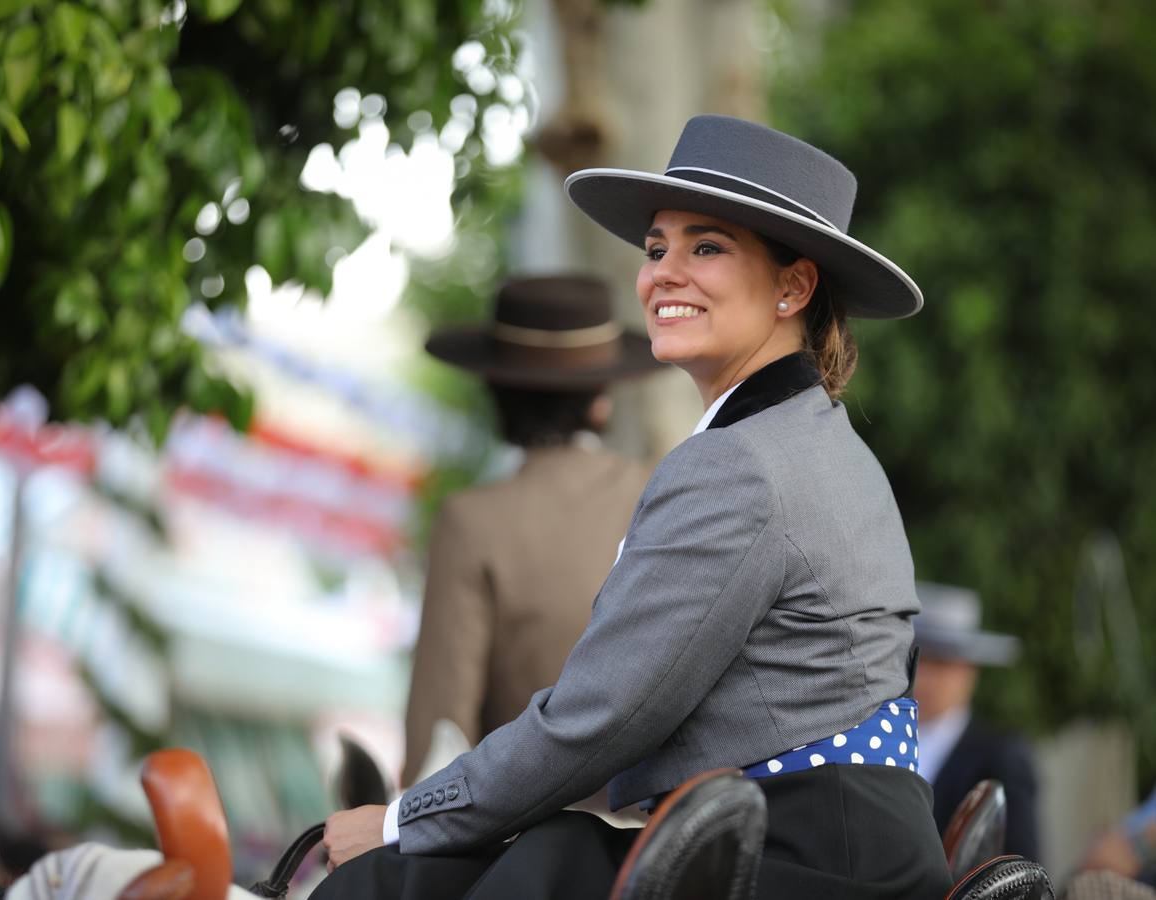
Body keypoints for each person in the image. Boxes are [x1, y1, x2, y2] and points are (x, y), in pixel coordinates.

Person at [314, 114, 952, 900]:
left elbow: (603, 717)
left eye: (705, 247)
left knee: (408, 882)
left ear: (793, 286)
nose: (661, 275)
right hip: (836, 843)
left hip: (798, 857)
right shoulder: (812, 440)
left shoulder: (739, 465)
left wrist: (396, 823)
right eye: (655, 250)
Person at [401, 275, 660, 788]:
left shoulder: (472, 522)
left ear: (497, 391)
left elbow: (441, 741)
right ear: (602, 398)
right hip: (671, 840)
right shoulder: (668, 492)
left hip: (528, 853)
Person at [911, 581, 1040, 859]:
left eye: (941, 661)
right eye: (916, 658)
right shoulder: (874, 743)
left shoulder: (1000, 757)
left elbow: (1019, 869)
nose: (925, 675)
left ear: (969, 670)